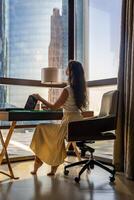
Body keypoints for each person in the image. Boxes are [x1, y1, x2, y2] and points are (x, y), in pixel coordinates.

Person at [30, 60, 88, 176]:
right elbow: (69, 107)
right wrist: (53, 107)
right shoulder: (81, 90)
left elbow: (53, 107)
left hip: (68, 124)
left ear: (70, 72)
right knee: (56, 137)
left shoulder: (67, 90)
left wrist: (39, 98)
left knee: (40, 128)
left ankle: (39, 162)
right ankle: (52, 166)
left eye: (68, 68)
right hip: (78, 124)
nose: (66, 70)